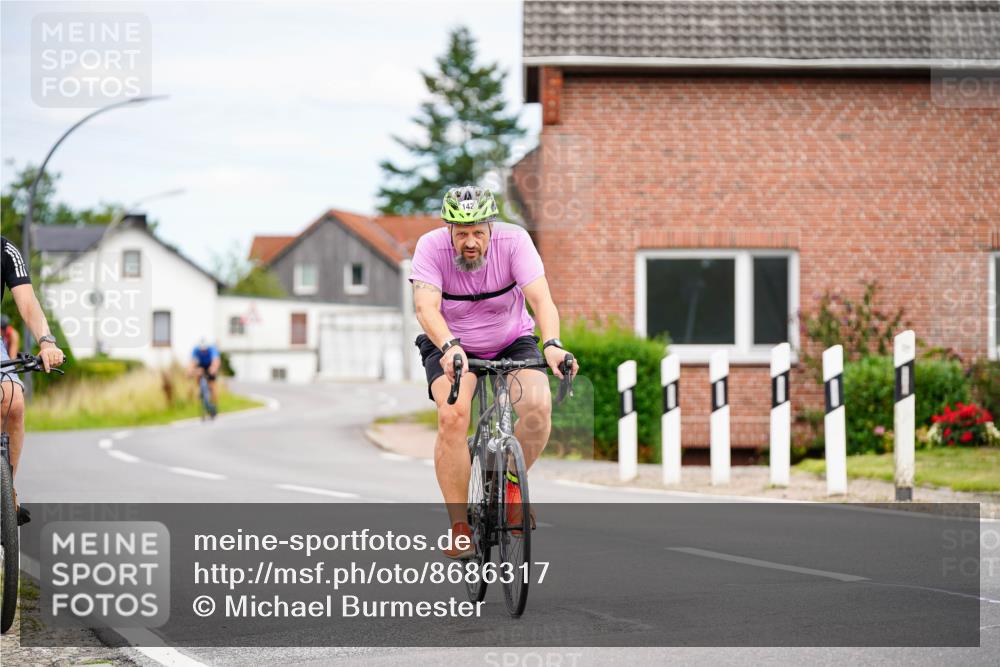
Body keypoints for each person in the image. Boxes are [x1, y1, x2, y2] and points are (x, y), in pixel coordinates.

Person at [410, 186, 578, 558]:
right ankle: (459, 527)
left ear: (491, 226)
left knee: (538, 406)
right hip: (451, 344)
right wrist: (450, 346)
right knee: (452, 416)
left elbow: (541, 300)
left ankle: (509, 485)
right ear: (448, 230)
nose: (470, 242)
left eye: (478, 232)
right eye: (461, 233)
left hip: (511, 339)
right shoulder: (429, 247)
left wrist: (551, 344)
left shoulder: (515, 241)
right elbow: (425, 308)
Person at [1, 236, 66, 525]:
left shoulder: (5, 250)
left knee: (13, 398)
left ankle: (5, 493)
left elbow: (27, 302)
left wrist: (46, 341)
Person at [188, 338, 221, 410]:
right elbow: (192, 362)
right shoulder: (196, 349)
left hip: (210, 365)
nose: (203, 352)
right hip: (201, 365)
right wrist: (190, 371)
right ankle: (200, 389)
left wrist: (213, 369)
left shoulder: (212, 349)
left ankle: (214, 404)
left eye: (205, 350)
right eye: (201, 350)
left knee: (212, 384)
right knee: (198, 373)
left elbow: (216, 361)